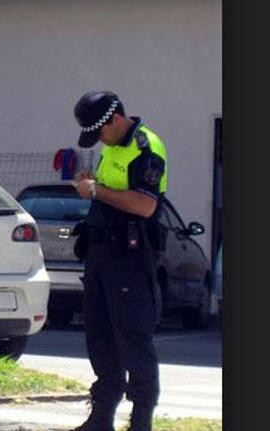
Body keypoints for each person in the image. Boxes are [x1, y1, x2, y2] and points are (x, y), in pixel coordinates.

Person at [69, 91, 167, 431]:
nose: (98, 140)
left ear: (114, 120)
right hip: (101, 256)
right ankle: (101, 417)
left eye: (99, 131)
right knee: (100, 337)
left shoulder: (145, 146)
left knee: (133, 339)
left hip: (128, 258)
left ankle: (140, 421)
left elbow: (145, 205)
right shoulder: (113, 146)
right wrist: (90, 184)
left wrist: (95, 191)